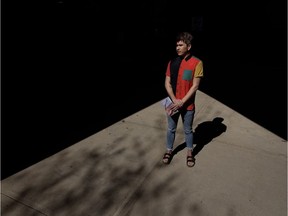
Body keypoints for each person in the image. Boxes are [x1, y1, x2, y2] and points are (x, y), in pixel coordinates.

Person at [162, 31, 204, 167]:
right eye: (176, 45)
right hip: (172, 103)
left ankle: (190, 152)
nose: (177, 48)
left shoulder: (197, 63)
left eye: (181, 45)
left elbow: (195, 86)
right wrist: (174, 100)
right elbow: (167, 83)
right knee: (171, 129)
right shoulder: (171, 62)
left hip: (188, 105)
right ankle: (169, 150)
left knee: (188, 130)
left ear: (189, 46)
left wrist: (182, 101)